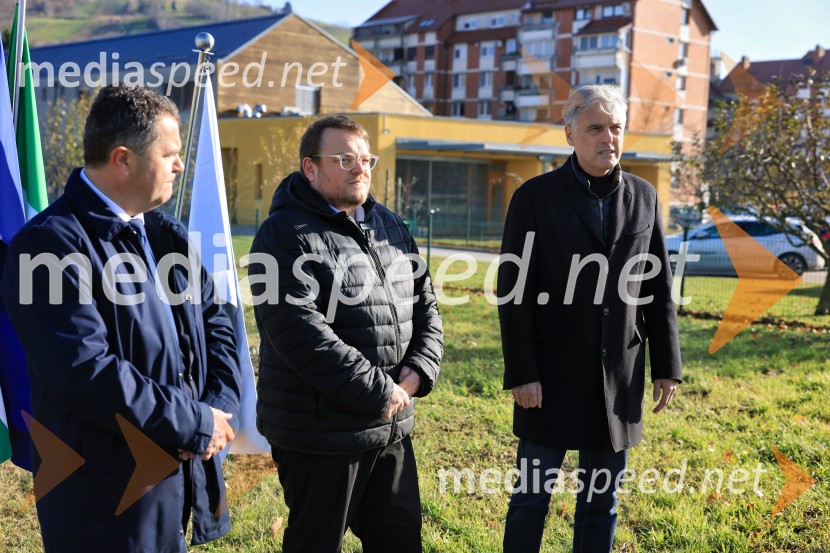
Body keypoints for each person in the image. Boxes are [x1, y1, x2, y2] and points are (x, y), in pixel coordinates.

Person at [1, 85, 241, 552]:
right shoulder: (48, 247)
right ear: (123, 159)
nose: (179, 164)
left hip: (178, 485)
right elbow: (85, 372)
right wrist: (193, 422)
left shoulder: (166, 235)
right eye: (169, 153)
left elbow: (219, 324)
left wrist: (215, 410)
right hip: (103, 502)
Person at [498, 84, 682, 553]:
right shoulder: (534, 198)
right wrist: (523, 372)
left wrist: (666, 365)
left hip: (617, 378)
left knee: (603, 502)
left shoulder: (644, 195)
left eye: (616, 127)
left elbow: (657, 286)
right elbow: (511, 293)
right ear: (570, 134)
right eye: (596, 128)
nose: (608, 138)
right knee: (531, 500)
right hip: (550, 377)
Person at [249, 115, 443, 552]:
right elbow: (299, 333)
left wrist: (417, 371)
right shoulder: (283, 235)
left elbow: (426, 305)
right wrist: (382, 391)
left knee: (399, 540)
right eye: (344, 158)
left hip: (390, 424)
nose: (360, 168)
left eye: (364, 159)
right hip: (320, 433)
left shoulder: (391, 226)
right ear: (310, 168)